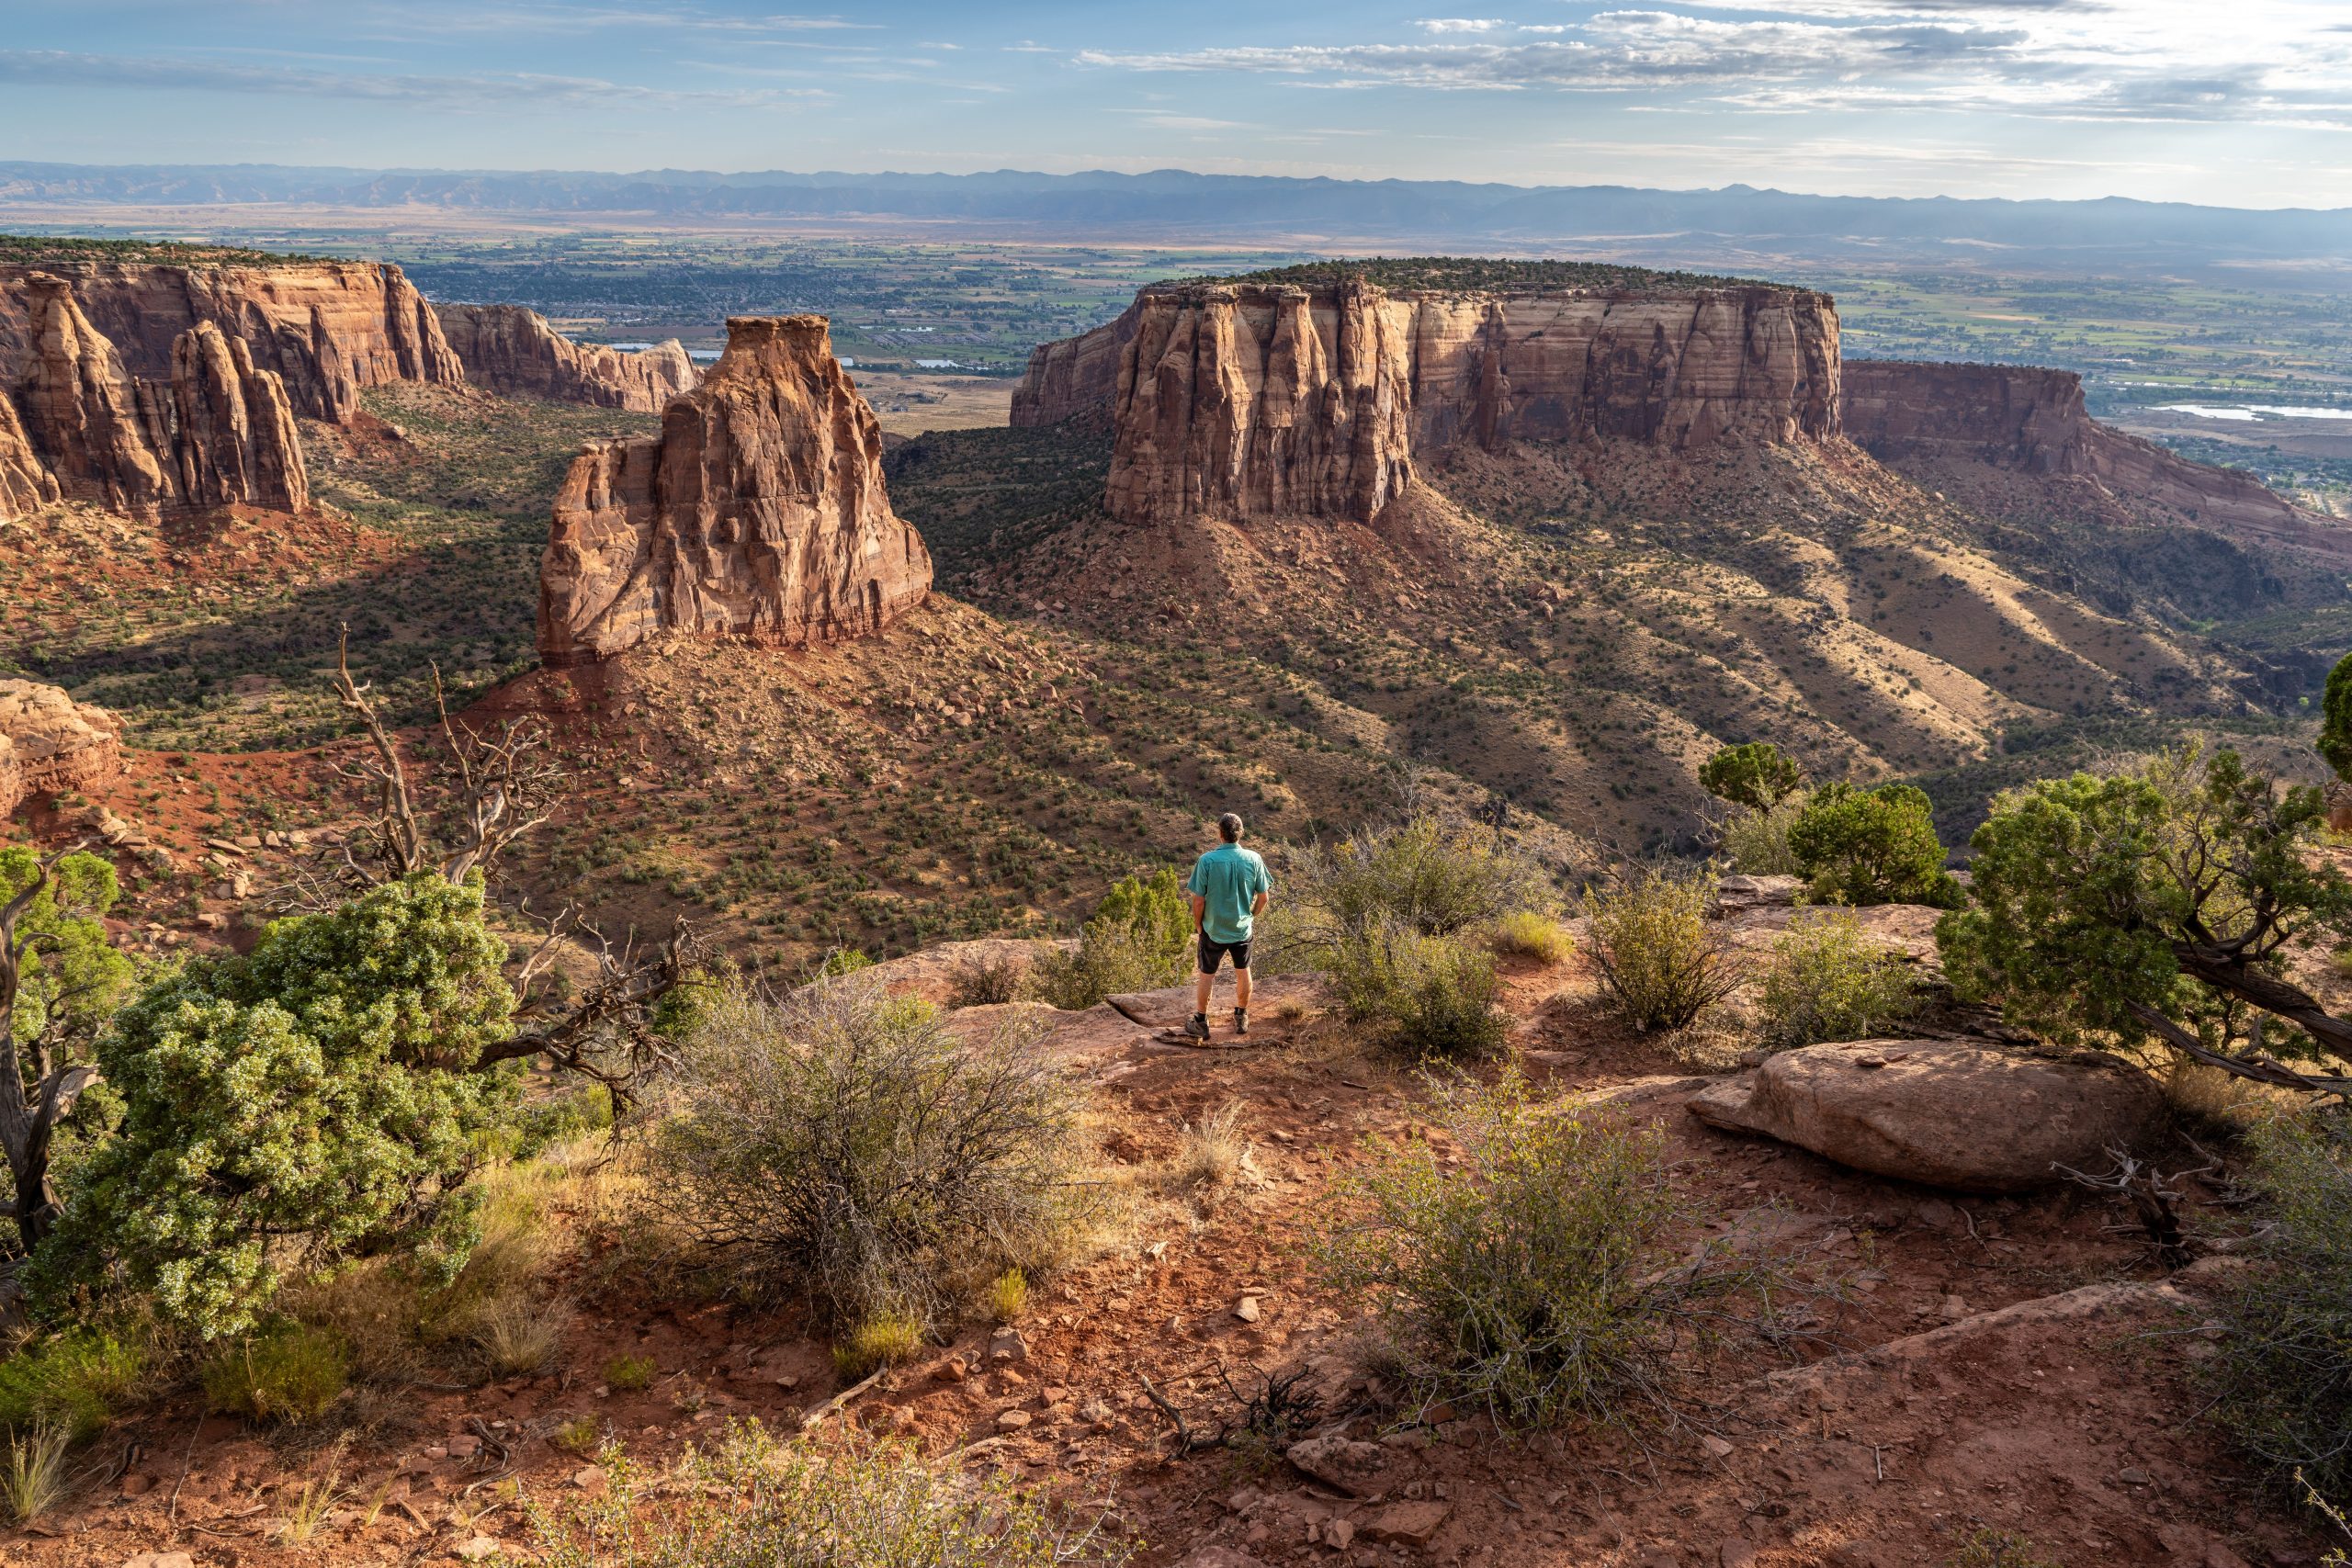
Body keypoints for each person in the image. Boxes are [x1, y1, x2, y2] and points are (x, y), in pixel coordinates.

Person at [1184, 812, 1272, 1040]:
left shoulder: (1207, 861)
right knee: (1243, 971)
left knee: (1207, 975)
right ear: (1241, 833)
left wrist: (1199, 926)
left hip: (1213, 929)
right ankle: (1241, 1017)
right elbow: (1264, 898)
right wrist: (1251, 916)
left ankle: (1201, 1022)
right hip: (1242, 929)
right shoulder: (1254, 858)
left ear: (1220, 833)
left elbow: (1198, 900)